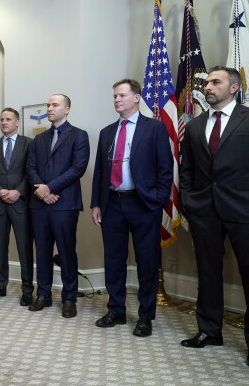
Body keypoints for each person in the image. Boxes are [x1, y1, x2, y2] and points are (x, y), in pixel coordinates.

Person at [90, 79, 172, 337]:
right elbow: (100, 173)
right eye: (114, 96)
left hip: (143, 203)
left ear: (136, 98)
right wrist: (96, 203)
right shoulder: (106, 132)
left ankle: (146, 316)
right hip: (112, 202)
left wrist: (157, 200)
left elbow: (165, 169)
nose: (117, 100)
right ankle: (116, 310)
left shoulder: (155, 129)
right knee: (113, 260)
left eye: (122, 95)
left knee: (147, 261)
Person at [179, 66, 249, 366]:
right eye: (206, 82)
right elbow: (187, 169)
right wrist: (187, 200)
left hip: (243, 209)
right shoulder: (194, 126)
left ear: (234, 88)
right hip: (204, 209)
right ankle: (209, 331)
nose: (208, 86)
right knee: (208, 272)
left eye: (215, 82)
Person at [26, 94, 90, 317]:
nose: (49, 108)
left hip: (65, 205)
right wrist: (42, 192)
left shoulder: (79, 136)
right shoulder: (38, 139)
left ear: (67, 109)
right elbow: (30, 168)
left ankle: (69, 298)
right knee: (42, 251)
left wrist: (49, 188)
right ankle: (43, 294)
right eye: (48, 105)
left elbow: (78, 168)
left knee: (66, 253)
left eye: (55, 105)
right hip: (40, 205)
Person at [0, 107, 34, 306]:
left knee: (24, 247)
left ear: (17, 122)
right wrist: (0, 191)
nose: (4, 122)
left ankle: (27, 289)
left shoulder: (28, 144)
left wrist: (18, 191)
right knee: (0, 246)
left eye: (8, 119)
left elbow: (30, 171)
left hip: (20, 204)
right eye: (2, 119)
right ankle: (1, 285)